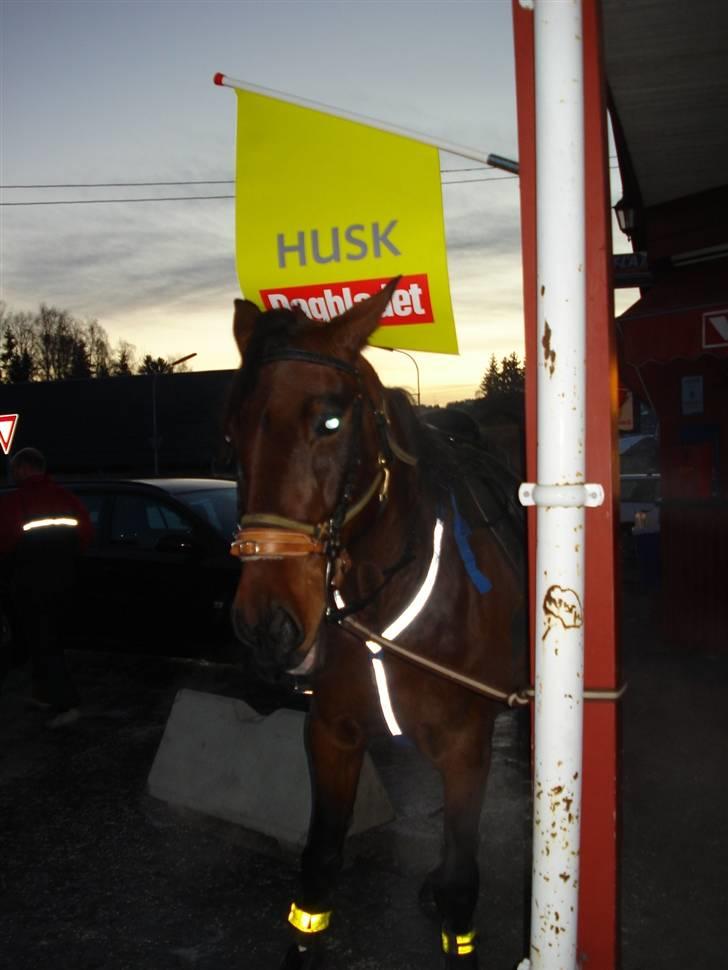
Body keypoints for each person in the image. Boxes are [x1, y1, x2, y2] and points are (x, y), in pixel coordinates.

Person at [0, 447, 93, 728]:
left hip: (29, 586)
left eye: (15, 469)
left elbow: (4, 543)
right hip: (65, 583)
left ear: (26, 469)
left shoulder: (15, 503)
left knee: (43, 642)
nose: (13, 474)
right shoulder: (67, 498)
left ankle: (68, 704)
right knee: (46, 640)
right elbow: (86, 535)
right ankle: (45, 695)